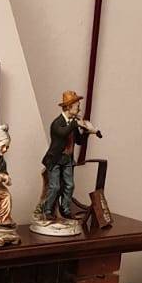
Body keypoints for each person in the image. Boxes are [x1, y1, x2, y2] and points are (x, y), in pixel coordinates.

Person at [39, 90, 101, 221]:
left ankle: (65, 209)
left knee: (70, 185)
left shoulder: (73, 123)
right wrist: (75, 124)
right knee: (55, 186)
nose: (79, 109)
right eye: (77, 106)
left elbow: (79, 141)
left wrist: (87, 132)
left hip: (67, 159)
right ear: (68, 107)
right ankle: (47, 210)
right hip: (55, 159)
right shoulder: (57, 123)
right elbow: (62, 133)